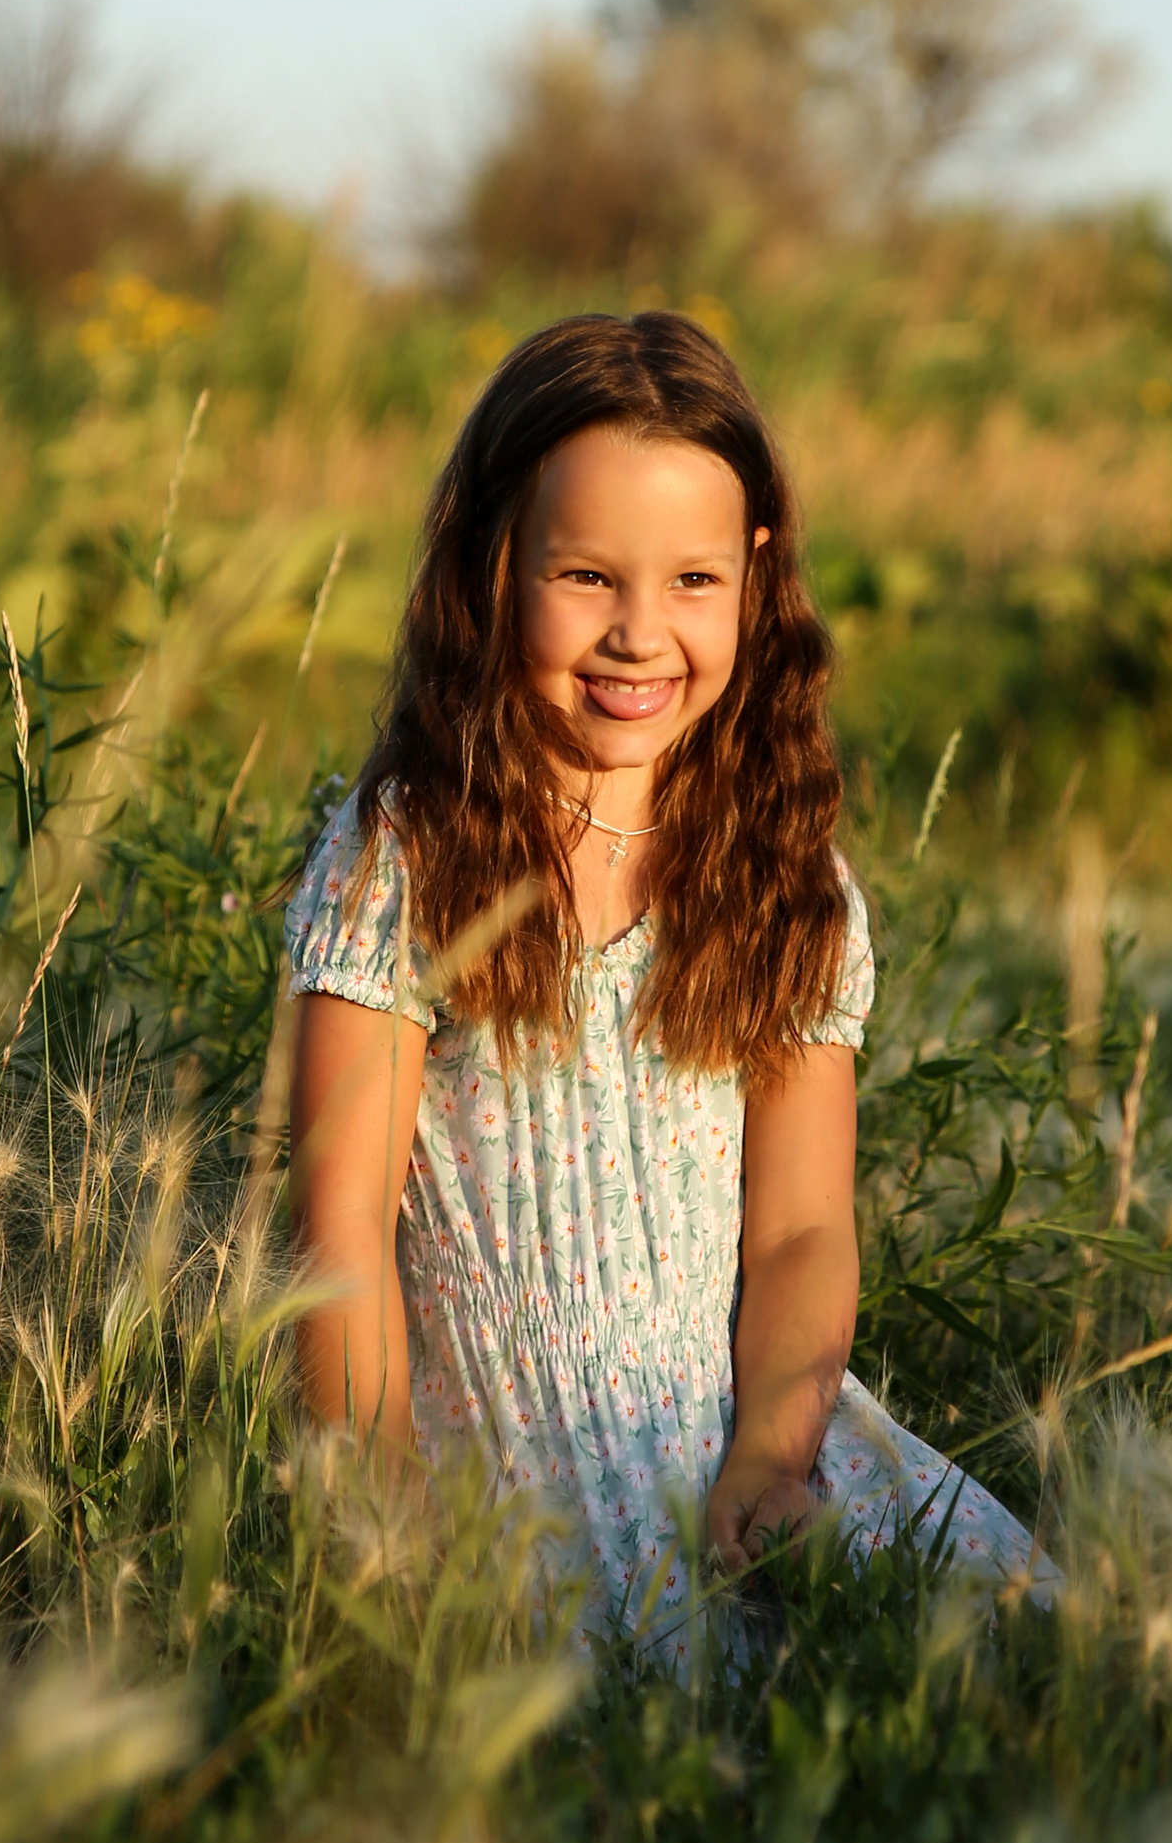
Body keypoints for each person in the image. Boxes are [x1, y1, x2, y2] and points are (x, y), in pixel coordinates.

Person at [283, 310, 1055, 1639]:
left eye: (694, 583)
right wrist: (381, 1505)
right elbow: (341, 1229)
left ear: (756, 575)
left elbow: (804, 1230)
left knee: (1011, 1634)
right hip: (501, 1460)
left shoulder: (783, 874)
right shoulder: (410, 857)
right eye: (587, 577)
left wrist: (772, 1453)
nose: (642, 635)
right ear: (494, 564)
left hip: (730, 1434)